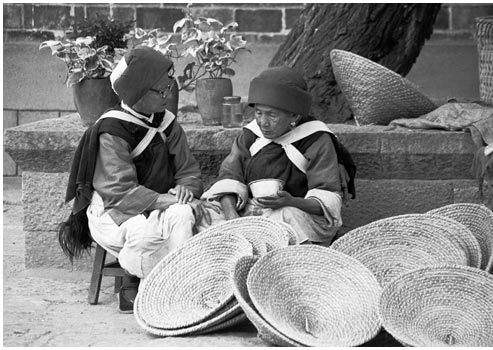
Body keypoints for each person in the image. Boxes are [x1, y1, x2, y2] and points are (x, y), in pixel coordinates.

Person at [58, 46, 215, 313]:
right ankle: (144, 282)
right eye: (162, 90)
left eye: (169, 87)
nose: (169, 94)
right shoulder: (112, 130)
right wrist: (169, 199)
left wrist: (186, 190)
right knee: (146, 233)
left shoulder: (167, 124)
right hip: (115, 211)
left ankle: (172, 285)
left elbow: (188, 171)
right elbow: (120, 192)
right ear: (138, 91)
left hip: (157, 204)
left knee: (186, 215)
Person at [201, 66, 356, 245]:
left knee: (284, 218)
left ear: (294, 116)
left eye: (272, 115)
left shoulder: (315, 139)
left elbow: (327, 197)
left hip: (298, 214)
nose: (263, 123)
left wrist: (292, 201)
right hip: (252, 211)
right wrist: (232, 216)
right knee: (206, 217)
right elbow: (229, 178)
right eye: (258, 113)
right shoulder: (250, 136)